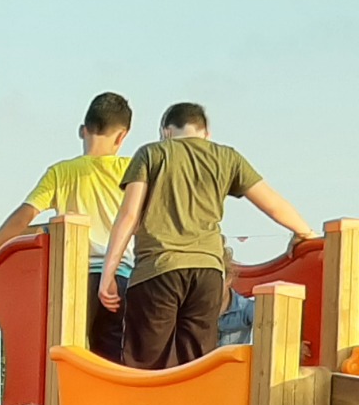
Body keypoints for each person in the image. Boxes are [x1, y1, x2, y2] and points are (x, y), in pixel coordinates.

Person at [100, 103, 318, 369]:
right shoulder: (227, 157)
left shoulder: (151, 153)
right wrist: (304, 232)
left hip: (157, 270)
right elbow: (271, 203)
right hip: (208, 274)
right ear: (206, 133)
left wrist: (108, 274)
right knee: (196, 366)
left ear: (166, 132)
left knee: (147, 365)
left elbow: (128, 216)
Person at [0, 93, 135, 363]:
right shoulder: (131, 170)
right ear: (122, 136)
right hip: (118, 277)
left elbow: (23, 216)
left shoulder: (60, 173)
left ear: (82, 131)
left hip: (72, 281)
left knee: (67, 354)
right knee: (110, 356)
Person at [217, 247, 254, 347]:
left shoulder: (245, 308)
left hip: (234, 361)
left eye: (216, 280)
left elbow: (269, 322)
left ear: (228, 279)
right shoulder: (196, 309)